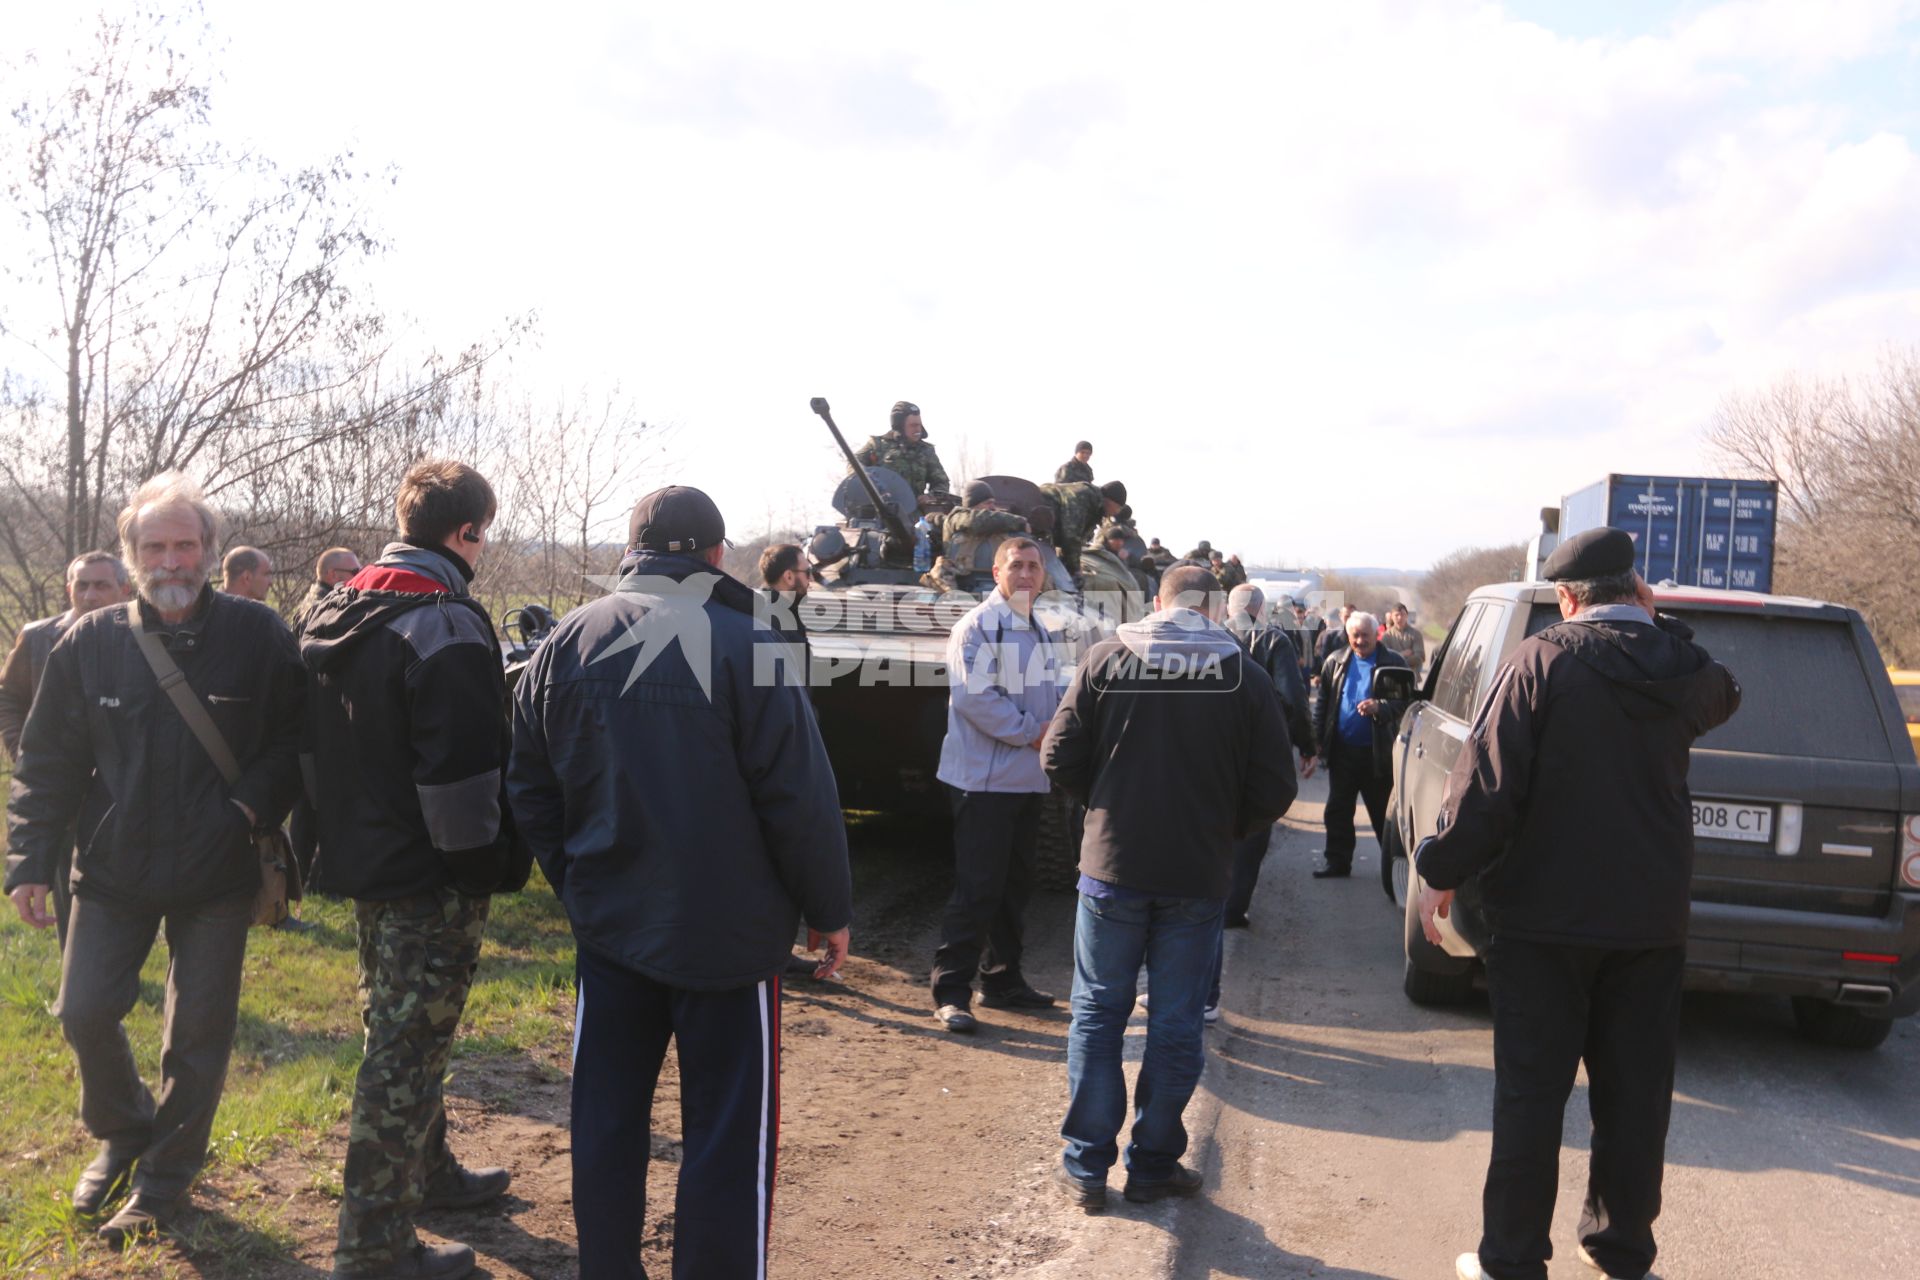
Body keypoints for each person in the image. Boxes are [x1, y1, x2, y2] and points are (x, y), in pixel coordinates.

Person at [507, 484, 852, 1280]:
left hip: (611, 929)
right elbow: (797, 794)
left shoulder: (566, 642)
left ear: (632, 551)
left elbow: (527, 784)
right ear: (715, 555)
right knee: (729, 1135)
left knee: (605, 1121)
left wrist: (578, 884)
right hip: (728, 945)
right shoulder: (749, 639)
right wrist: (827, 908)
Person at [1414, 528, 1740, 1280]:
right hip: (1649, 926)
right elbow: (1725, 690)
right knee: (1635, 1098)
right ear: (1637, 590)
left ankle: (1512, 1260)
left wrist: (1439, 869)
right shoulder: (1682, 667)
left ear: (1565, 598)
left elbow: (1487, 787)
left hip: (1543, 925)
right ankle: (1623, 1254)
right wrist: (1658, 624)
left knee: (1532, 1095)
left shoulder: (1542, 661)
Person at [5, 472, 303, 1247]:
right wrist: (29, 860)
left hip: (216, 871)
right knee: (83, 1010)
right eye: (155, 546)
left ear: (207, 549)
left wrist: (246, 808)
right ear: (131, 554)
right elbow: (48, 763)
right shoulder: (87, 643)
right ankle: (124, 1129)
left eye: (185, 544)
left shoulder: (257, 634)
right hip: (110, 867)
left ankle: (165, 1180)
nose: (172, 560)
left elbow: (292, 742)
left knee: (196, 1036)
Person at [302, 460, 528, 1280]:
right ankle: (373, 1248)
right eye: (484, 534)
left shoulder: (338, 604)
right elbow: (460, 784)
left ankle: (429, 1176)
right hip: (430, 878)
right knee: (403, 1054)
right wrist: (484, 873)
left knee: (398, 1033)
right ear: (466, 532)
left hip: (361, 859)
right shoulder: (446, 624)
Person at [1041, 565, 1296, 1211]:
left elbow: (1058, 756)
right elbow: (1276, 786)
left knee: (1098, 1014)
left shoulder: (1106, 659)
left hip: (1113, 868)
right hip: (1198, 875)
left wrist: (1103, 807)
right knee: (1178, 1021)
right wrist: (1225, 830)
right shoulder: (1246, 677)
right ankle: (1153, 1165)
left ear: (1157, 602)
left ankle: (1086, 1170)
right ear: (1214, 610)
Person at [929, 536, 1066, 1032]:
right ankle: (950, 992)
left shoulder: (1039, 629)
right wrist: (1034, 734)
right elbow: (975, 699)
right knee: (978, 888)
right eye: (1017, 566)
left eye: (1034, 566)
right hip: (984, 782)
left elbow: (1050, 697)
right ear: (996, 573)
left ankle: (1003, 980)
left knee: (1014, 887)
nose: (1027, 574)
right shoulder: (979, 628)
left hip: (1026, 780)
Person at [0, 551, 131, 944]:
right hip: (61, 789)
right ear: (69, 588)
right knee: (65, 882)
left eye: (102, 585)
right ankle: (77, 974)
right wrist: (21, 749)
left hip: (123, 789)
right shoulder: (39, 636)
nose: (90, 595)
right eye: (82, 585)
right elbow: (8, 695)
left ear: (124, 589)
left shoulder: (144, 639)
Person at [1220, 584, 1316, 929]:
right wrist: (1305, 745)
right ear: (1261, 610)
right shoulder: (1275, 640)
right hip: (1259, 752)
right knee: (1253, 827)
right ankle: (1233, 908)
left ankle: (1210, 899)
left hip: (1217, 749)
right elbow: (1293, 697)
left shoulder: (1213, 637)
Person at [1310, 611, 1409, 879]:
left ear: (1376, 635)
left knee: (1382, 815)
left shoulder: (1392, 662)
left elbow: (1406, 703)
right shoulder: (1336, 661)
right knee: (1338, 809)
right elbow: (1323, 704)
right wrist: (1317, 740)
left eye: (1365, 635)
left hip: (1378, 752)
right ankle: (1337, 863)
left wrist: (1381, 706)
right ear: (1348, 636)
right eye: (1355, 636)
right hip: (1343, 751)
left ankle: (1394, 871)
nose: (1360, 641)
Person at [926, 480, 1031, 593]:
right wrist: (1020, 522)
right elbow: (975, 521)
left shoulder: (996, 525)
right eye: (988, 503)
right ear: (972, 505)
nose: (993, 508)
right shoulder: (957, 517)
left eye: (993, 503)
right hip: (960, 583)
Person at [851, 399, 950, 497]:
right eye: (913, 425)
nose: (918, 429)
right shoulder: (877, 445)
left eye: (919, 425)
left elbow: (941, 481)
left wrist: (930, 497)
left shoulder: (926, 451)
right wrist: (869, 481)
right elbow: (854, 463)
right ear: (900, 426)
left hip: (915, 509)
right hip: (881, 507)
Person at [1039, 479, 1127, 576]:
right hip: (1036, 520)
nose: (1117, 512)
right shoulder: (1085, 497)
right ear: (1110, 501)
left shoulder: (1094, 505)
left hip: (1043, 529)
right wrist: (1075, 570)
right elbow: (1071, 536)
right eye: (1118, 508)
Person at [758, 541, 812, 665]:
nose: (811, 579)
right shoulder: (770, 620)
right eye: (807, 573)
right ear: (789, 577)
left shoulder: (783, 614)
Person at [289, 546, 364, 635]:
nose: (361, 576)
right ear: (332, 574)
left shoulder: (311, 603)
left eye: (362, 571)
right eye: (356, 572)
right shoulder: (327, 609)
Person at [1382, 602, 1427, 674]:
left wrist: (1395, 659)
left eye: (1403, 614)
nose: (1400, 617)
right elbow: (1385, 659)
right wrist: (1402, 654)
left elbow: (1419, 657)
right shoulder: (1387, 636)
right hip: (1392, 675)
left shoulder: (1415, 634)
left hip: (1410, 676)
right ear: (1392, 617)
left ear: (1407, 616)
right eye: (1397, 615)